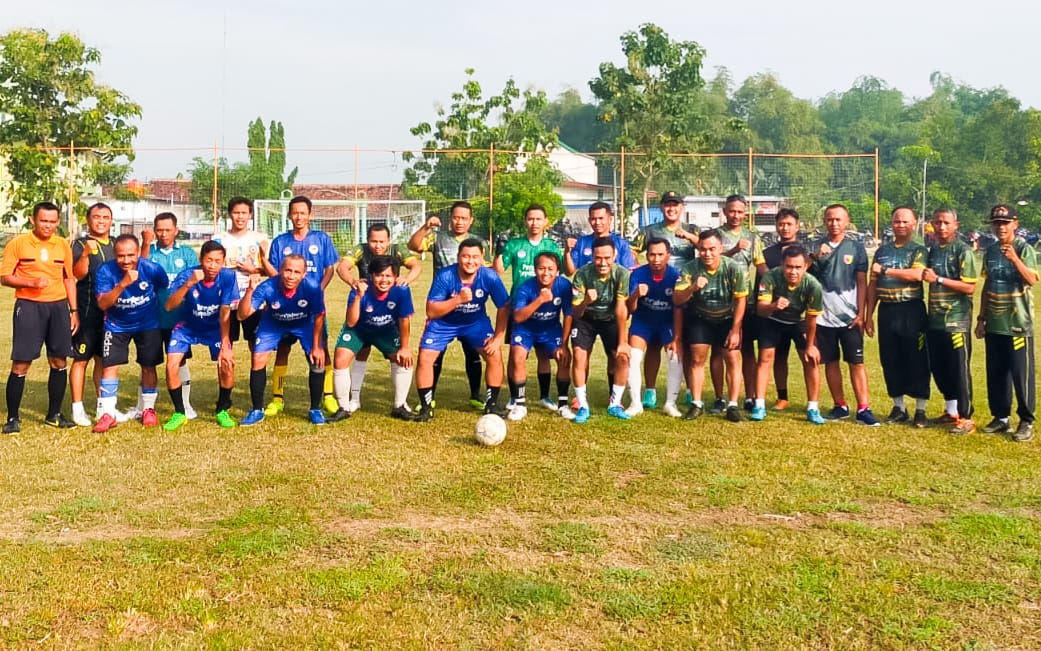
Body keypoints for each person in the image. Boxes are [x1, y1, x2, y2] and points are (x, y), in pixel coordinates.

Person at [0, 201, 78, 433]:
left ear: (58, 222)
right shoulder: (18, 244)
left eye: (53, 221)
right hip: (29, 307)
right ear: (33, 220)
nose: (48, 225)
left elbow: (69, 278)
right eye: (43, 221)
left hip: (58, 307)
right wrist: (30, 282)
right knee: (21, 362)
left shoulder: (62, 244)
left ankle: (54, 414)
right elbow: (4, 277)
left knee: (59, 361)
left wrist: (73, 311)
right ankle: (13, 419)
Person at [415, 238, 510, 422]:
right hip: (443, 323)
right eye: (466, 256)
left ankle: (492, 405)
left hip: (475, 323)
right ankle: (426, 408)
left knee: (494, 354)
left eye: (475, 257)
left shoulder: (489, 276)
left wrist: (498, 337)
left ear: (482, 257)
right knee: (425, 357)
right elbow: (431, 311)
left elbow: (504, 306)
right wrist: (457, 300)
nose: (470, 261)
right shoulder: (445, 276)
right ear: (458, 257)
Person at [407, 201, 488, 410]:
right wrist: (426, 227)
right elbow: (414, 246)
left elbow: (486, 270)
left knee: (473, 352)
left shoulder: (479, 242)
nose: (459, 221)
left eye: (464, 218)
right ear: (451, 218)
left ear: (471, 220)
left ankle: (476, 395)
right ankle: (429, 398)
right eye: (456, 217)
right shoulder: (438, 237)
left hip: (470, 308)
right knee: (434, 353)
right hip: (443, 306)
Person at [264, 196, 340, 416]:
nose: (299, 217)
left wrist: (318, 291)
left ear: (310, 215)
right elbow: (275, 272)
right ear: (289, 215)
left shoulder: (321, 238)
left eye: (303, 213)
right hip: (285, 307)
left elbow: (329, 269)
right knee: (282, 349)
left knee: (321, 349)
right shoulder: (280, 242)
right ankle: (277, 398)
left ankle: (328, 396)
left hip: (312, 307)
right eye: (295, 212)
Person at [335, 223, 421, 412]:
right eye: (374, 241)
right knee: (354, 353)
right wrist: (353, 283)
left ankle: (400, 405)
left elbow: (416, 266)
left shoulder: (398, 253)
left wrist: (406, 280)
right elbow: (342, 267)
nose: (378, 245)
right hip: (364, 310)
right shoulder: (361, 253)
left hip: (386, 319)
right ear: (368, 241)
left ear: (389, 241)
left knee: (402, 357)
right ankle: (349, 403)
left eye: (382, 241)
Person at [237, 255, 329, 426]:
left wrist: (317, 346)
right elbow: (242, 315)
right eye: (288, 270)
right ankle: (257, 410)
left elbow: (319, 315)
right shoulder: (267, 287)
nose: (291, 276)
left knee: (317, 360)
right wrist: (249, 291)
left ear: (304, 274)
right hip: (273, 324)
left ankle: (315, 409)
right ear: (280, 270)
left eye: (296, 272)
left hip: (304, 324)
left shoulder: (312, 287)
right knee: (257, 358)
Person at [810, 204, 879, 426]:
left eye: (838, 219)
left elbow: (862, 281)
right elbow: (802, 273)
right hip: (823, 317)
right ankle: (840, 405)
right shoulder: (815, 246)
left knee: (856, 362)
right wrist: (815, 256)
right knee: (830, 362)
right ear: (824, 221)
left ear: (847, 222)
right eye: (830, 219)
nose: (834, 223)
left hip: (850, 318)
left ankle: (864, 408)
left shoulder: (856, 248)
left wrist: (861, 314)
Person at [92, 234, 170, 432]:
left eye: (130, 255)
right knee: (110, 366)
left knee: (149, 366)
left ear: (138, 253)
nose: (126, 260)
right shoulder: (105, 271)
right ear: (114, 255)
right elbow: (103, 304)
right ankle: (108, 413)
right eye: (121, 256)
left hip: (148, 324)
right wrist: (122, 284)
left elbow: (162, 288)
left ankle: (148, 410)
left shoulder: (152, 269)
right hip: (116, 325)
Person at [161, 240, 240, 430]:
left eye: (217, 261)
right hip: (187, 326)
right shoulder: (187, 275)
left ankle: (222, 410)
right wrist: (188, 284)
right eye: (208, 260)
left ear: (223, 262)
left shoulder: (228, 276)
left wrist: (225, 345)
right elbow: (169, 306)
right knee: (171, 365)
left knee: (227, 364)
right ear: (201, 260)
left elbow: (225, 312)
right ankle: (180, 413)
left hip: (214, 328)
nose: (212, 265)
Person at [976, 204, 1038, 442]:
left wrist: (1014, 259)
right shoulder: (990, 251)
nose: (1001, 227)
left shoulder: (1024, 248)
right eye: (997, 223)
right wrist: (981, 318)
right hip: (995, 322)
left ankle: (1026, 420)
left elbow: (1032, 280)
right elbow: (988, 284)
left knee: (1021, 375)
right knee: (996, 372)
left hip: (1018, 323)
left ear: (1015, 224)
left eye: (1005, 223)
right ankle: (1001, 417)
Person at [864, 207, 930, 428]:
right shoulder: (882, 251)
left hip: (911, 310)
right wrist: (869, 316)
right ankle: (899, 407)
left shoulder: (918, 250)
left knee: (917, 358)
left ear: (914, 224)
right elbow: (873, 284)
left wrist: (886, 270)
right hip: (887, 310)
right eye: (896, 221)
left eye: (905, 221)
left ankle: (921, 410)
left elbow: (916, 275)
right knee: (890, 358)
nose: (900, 225)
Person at [633, 191, 698, 409]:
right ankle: (650, 391)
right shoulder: (650, 231)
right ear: (661, 207)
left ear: (682, 207)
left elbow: (709, 248)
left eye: (675, 204)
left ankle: (689, 389)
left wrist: (689, 237)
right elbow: (631, 251)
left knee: (684, 344)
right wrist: (637, 269)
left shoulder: (692, 229)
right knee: (653, 345)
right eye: (667, 205)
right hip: (656, 290)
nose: (671, 208)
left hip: (685, 291)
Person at [673, 230, 747, 422]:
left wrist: (735, 330)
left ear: (720, 248)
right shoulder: (690, 268)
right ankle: (697, 404)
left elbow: (741, 300)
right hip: (701, 317)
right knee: (697, 359)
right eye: (703, 249)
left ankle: (732, 405)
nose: (707, 253)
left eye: (712, 249)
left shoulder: (733, 268)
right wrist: (693, 288)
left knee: (732, 357)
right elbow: (677, 299)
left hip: (727, 318)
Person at [752, 245, 827, 424]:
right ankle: (759, 405)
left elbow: (811, 318)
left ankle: (813, 408)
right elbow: (761, 310)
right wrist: (773, 306)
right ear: (782, 264)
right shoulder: (770, 277)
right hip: (773, 319)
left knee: (811, 360)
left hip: (798, 322)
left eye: (798, 267)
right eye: (789, 267)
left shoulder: (813, 285)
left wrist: (810, 345)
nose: (793, 271)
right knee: (765, 357)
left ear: (805, 266)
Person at [139, 212, 201, 420]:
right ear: (154, 231)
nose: (163, 234)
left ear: (176, 230)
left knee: (180, 361)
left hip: (178, 320)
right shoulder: (149, 251)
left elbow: (195, 282)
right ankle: (144, 407)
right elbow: (139, 272)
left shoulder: (187, 253)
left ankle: (185, 404)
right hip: (151, 318)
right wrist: (145, 244)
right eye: (159, 230)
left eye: (168, 230)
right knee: (148, 363)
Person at [923, 208, 978, 435]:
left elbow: (970, 287)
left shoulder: (963, 251)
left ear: (956, 225)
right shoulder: (934, 249)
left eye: (946, 222)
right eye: (937, 222)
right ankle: (951, 411)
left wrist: (938, 279)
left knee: (959, 369)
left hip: (957, 321)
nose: (941, 227)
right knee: (940, 367)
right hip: (935, 320)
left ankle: (966, 417)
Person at [569, 237, 631, 423]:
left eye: (607, 258)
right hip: (585, 320)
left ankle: (615, 404)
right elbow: (576, 312)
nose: (603, 262)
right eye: (598, 258)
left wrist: (623, 342)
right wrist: (586, 301)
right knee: (579, 355)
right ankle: (582, 405)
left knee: (621, 357)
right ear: (592, 257)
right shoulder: (582, 275)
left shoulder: (622, 274)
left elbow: (621, 308)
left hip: (610, 319)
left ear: (614, 256)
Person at [715, 195, 766, 413]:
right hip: (719, 301)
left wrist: (776, 281)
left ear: (746, 213)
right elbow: (711, 259)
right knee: (720, 351)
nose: (736, 215)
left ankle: (750, 396)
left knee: (747, 350)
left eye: (740, 212)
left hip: (745, 302)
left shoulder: (752, 238)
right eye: (732, 211)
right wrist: (733, 250)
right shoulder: (716, 235)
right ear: (725, 212)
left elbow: (760, 266)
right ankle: (720, 398)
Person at [507, 251, 573, 421]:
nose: (546, 273)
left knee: (563, 358)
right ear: (535, 270)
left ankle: (562, 404)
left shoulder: (564, 286)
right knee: (517, 355)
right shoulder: (525, 288)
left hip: (550, 328)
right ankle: (519, 404)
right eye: (541, 268)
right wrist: (540, 300)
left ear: (557, 271)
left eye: (550, 269)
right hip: (525, 329)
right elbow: (518, 317)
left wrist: (564, 345)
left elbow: (568, 315)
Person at [623, 238, 682, 418]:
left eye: (660, 255)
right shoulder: (637, 274)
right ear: (646, 255)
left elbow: (679, 308)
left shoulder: (675, 276)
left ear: (668, 256)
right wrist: (636, 295)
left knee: (674, 357)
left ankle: (670, 403)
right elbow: (631, 308)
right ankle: (635, 404)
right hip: (643, 322)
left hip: (667, 323)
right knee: (633, 357)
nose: (656, 259)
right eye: (652, 255)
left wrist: (676, 338)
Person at [69, 202, 116, 426]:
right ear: (88, 220)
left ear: (111, 221)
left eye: (105, 217)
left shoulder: (115, 244)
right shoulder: (80, 244)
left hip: (110, 313)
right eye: (97, 217)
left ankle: (103, 407)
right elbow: (77, 274)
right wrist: (86, 254)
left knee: (103, 360)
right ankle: (77, 408)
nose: (101, 221)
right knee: (81, 360)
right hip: (88, 311)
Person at [212, 196, 270, 353]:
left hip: (253, 299)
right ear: (230, 214)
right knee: (225, 344)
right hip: (226, 299)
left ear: (250, 215)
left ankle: (258, 370)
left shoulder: (260, 239)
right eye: (236, 212)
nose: (240, 217)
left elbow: (270, 271)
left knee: (256, 344)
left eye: (244, 213)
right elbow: (210, 268)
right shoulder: (219, 239)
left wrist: (254, 270)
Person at [760, 208, 802, 410]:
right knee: (778, 357)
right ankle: (782, 397)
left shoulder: (806, 252)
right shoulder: (768, 253)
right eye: (781, 224)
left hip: (801, 317)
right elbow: (762, 285)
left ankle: (813, 403)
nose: (785, 228)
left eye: (789, 224)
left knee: (808, 357)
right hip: (775, 316)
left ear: (797, 226)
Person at [564, 201, 637, 275]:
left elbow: (628, 272)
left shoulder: (621, 243)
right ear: (589, 220)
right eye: (593, 219)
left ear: (610, 219)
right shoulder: (581, 242)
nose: (597, 222)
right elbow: (569, 273)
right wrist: (567, 252)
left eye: (601, 218)